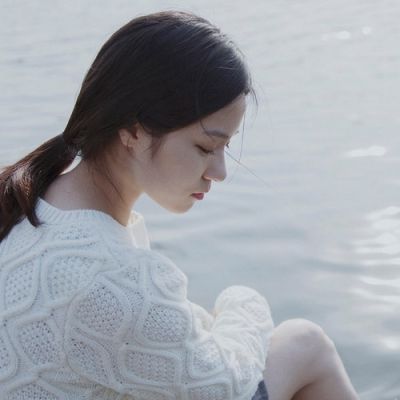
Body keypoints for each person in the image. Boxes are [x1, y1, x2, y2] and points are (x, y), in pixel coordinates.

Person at [0, 10, 359, 400]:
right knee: (305, 343)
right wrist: (242, 300)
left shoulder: (31, 201)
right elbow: (223, 386)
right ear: (133, 131)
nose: (220, 172)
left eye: (225, 148)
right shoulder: (109, 275)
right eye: (205, 147)